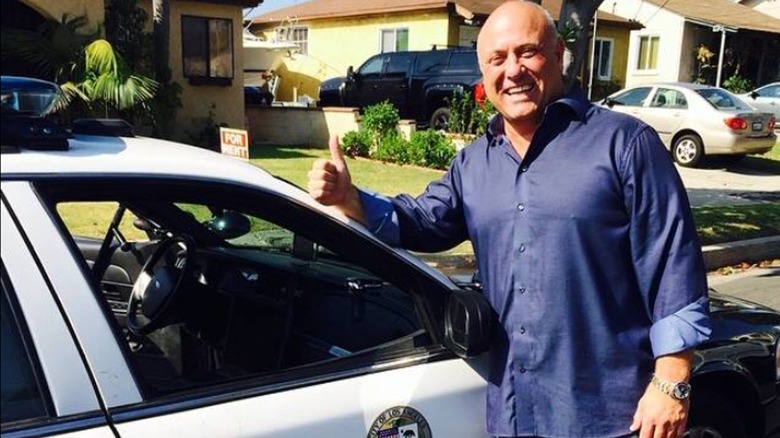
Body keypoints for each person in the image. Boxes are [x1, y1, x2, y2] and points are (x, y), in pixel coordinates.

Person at [307, 1, 711, 437]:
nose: (513, 70)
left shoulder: (624, 145)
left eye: (527, 52)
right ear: (484, 74)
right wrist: (352, 199)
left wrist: (671, 382)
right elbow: (424, 220)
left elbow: (673, 266)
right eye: (497, 59)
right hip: (514, 415)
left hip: (610, 417)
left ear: (558, 56)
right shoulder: (474, 163)